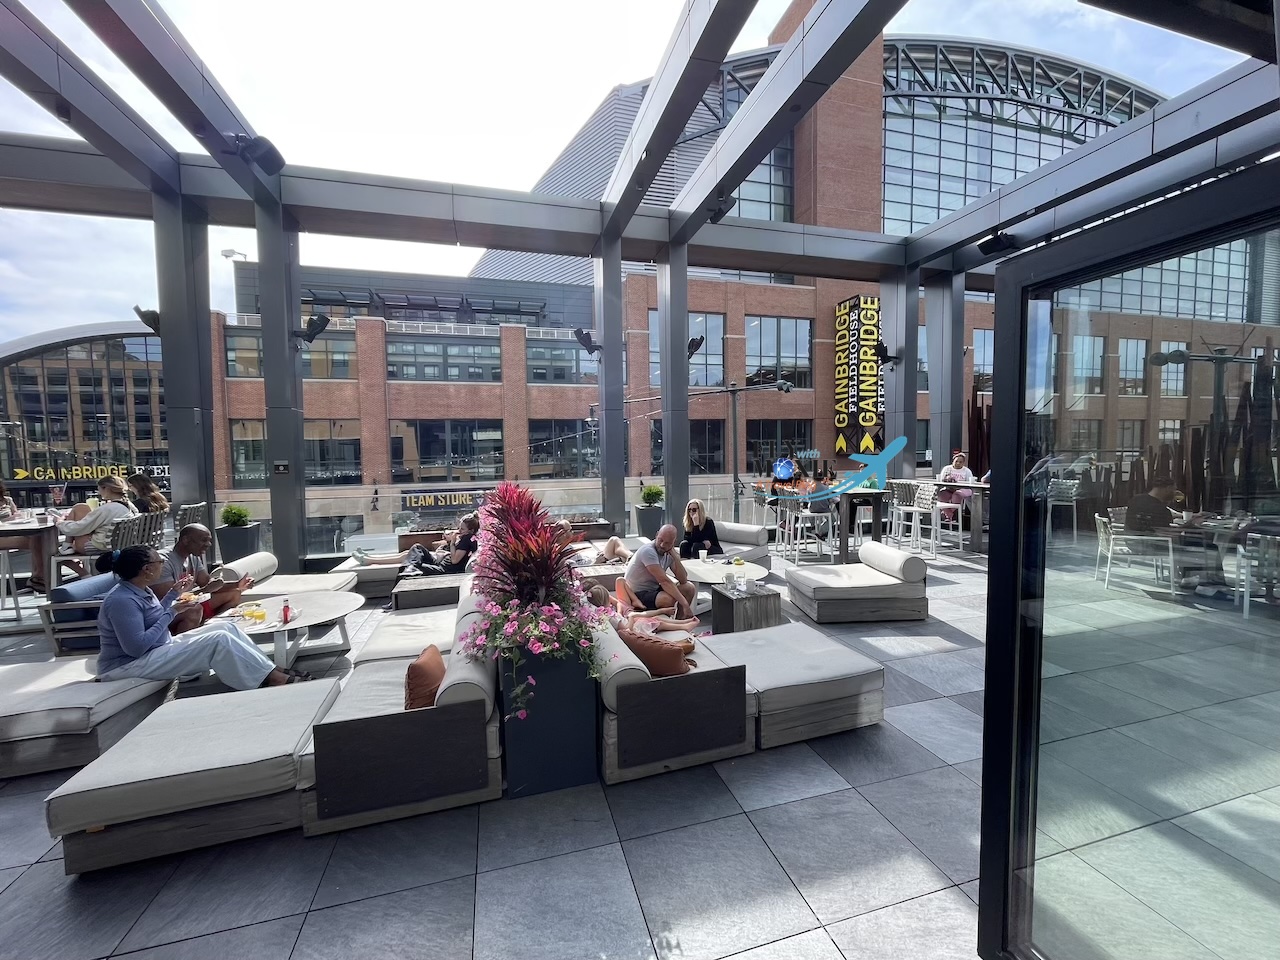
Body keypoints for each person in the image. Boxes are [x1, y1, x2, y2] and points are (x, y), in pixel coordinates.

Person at [95, 545, 306, 688]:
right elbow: (136, 648)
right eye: (159, 561)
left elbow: (152, 617)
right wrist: (172, 612)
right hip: (126, 667)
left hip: (154, 651)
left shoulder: (140, 588)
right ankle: (272, 679)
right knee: (218, 640)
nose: (162, 564)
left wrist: (172, 596)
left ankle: (271, 670)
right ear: (147, 570)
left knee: (225, 628)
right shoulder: (121, 601)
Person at [148, 523, 253, 632]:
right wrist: (205, 590)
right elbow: (170, 600)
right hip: (166, 612)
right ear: (186, 540)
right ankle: (182, 643)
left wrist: (238, 584)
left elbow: (206, 582)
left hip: (190, 603)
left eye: (209, 540)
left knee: (234, 593)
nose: (208, 544)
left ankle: (213, 627)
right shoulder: (163, 562)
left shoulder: (193, 556)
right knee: (194, 610)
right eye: (204, 540)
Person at [354, 512, 480, 575]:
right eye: (459, 527)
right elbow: (440, 547)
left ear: (471, 530)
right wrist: (447, 544)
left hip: (444, 569)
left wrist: (452, 543)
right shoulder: (465, 537)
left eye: (462, 529)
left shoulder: (467, 538)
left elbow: (455, 561)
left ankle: (370, 560)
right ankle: (370, 559)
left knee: (409, 561)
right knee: (417, 547)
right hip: (440, 561)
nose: (459, 530)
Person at [52, 475, 138, 564]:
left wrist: (59, 522)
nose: (99, 493)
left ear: (107, 489)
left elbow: (78, 528)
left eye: (100, 489)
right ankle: (68, 547)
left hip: (101, 547)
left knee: (80, 507)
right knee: (82, 509)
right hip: (119, 545)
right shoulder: (130, 507)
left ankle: (67, 545)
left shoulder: (107, 509)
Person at [622, 523, 695, 618]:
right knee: (667, 599)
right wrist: (685, 604)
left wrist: (676, 558)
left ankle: (680, 623)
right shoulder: (648, 551)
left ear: (673, 542)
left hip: (653, 589)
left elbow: (683, 580)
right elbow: (664, 581)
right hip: (635, 593)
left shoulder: (669, 553)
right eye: (660, 540)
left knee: (689, 588)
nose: (662, 545)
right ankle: (672, 623)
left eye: (667, 543)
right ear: (656, 535)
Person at [554, 519, 632, 565]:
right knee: (615, 543)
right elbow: (577, 572)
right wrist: (596, 562)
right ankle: (631, 557)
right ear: (563, 533)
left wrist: (595, 558)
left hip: (594, 560)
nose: (572, 532)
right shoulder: (561, 553)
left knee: (614, 541)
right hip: (594, 566)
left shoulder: (565, 546)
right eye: (570, 530)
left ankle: (630, 557)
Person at [937, 453, 975, 518]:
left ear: (963, 463)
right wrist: (947, 479)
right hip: (949, 489)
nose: (958, 463)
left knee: (957, 495)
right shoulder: (947, 469)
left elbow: (969, 483)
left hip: (963, 489)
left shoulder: (967, 471)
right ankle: (948, 513)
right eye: (956, 461)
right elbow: (941, 479)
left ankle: (948, 514)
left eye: (960, 462)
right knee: (941, 494)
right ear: (953, 461)